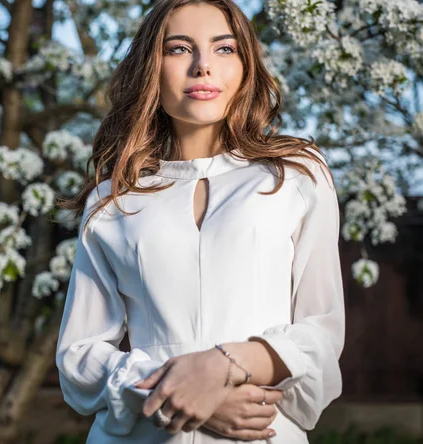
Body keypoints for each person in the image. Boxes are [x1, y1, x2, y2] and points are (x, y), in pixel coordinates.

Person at [55, 0, 345, 442]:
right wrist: (182, 393)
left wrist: (223, 366)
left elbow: (321, 334)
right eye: (179, 49)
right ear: (150, 68)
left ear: (246, 66)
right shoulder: (111, 202)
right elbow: (79, 359)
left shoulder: (296, 174)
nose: (203, 66)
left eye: (224, 49)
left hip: (261, 430)